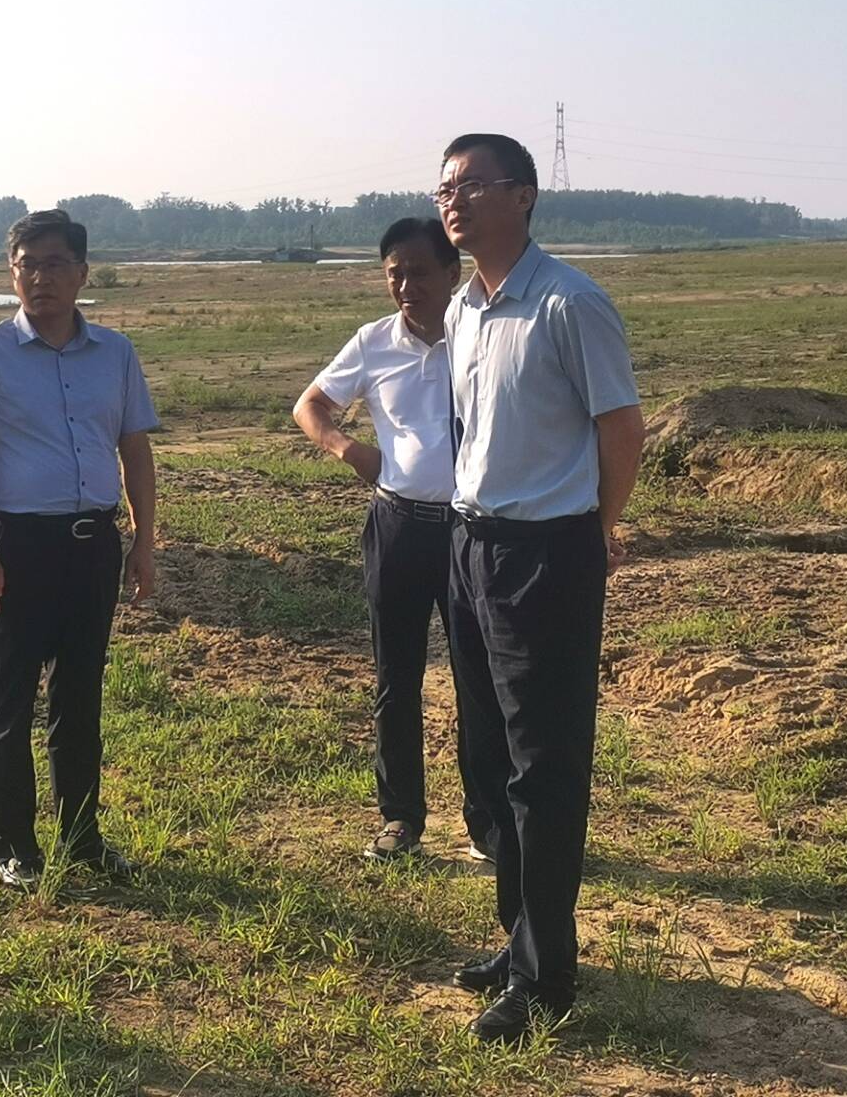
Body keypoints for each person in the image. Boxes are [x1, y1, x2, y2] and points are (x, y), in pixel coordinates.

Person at [434, 133, 645, 1044]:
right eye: (445, 188)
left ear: (522, 196)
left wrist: (595, 526)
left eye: (471, 185)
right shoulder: (463, 309)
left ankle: (545, 979)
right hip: (470, 546)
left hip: (546, 553)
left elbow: (622, 428)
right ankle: (517, 939)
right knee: (490, 759)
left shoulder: (569, 302)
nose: (454, 201)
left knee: (544, 768)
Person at [0, 209, 160, 890]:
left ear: (82, 273)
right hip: (17, 545)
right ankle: (13, 845)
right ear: (12, 274)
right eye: (27, 266)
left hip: (92, 544)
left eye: (55, 264)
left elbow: (135, 450)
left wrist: (144, 541)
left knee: (80, 695)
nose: (41, 278)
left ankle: (82, 837)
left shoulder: (115, 355)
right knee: (9, 697)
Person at [291, 216, 496, 866]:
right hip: (398, 527)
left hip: (471, 530)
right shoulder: (373, 342)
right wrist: (349, 449)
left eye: (419, 272)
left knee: (479, 678)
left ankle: (489, 824)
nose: (407, 286)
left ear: (452, 273)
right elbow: (309, 406)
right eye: (394, 274)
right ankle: (401, 818)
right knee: (396, 678)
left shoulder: (481, 333)